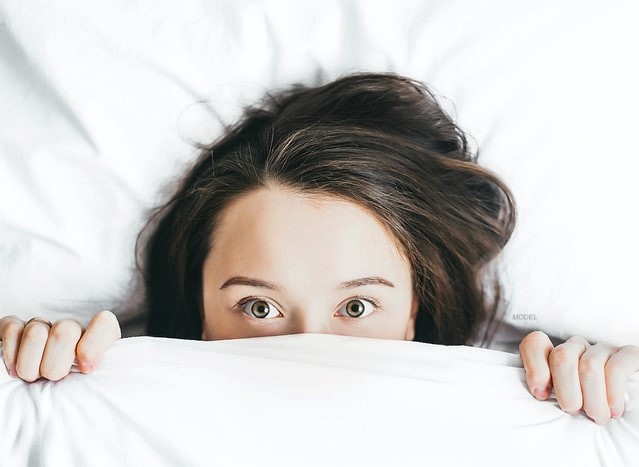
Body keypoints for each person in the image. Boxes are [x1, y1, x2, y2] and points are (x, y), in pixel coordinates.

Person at [1, 72, 636, 426]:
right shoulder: (102, 414)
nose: (307, 349)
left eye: (357, 308)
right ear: (196, 305)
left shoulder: (528, 416)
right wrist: (27, 373)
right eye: (257, 307)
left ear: (418, 309)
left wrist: (616, 393)